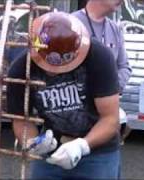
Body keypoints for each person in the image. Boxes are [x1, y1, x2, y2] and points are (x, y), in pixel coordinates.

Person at [7, 12, 121, 179]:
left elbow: (110, 119)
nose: (54, 72)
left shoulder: (98, 57)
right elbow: (20, 119)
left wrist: (82, 146)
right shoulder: (21, 68)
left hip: (98, 153)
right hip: (51, 154)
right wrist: (33, 142)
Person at [73, 0, 131, 92]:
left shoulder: (115, 29)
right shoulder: (71, 23)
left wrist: (109, 89)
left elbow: (124, 67)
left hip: (108, 103)